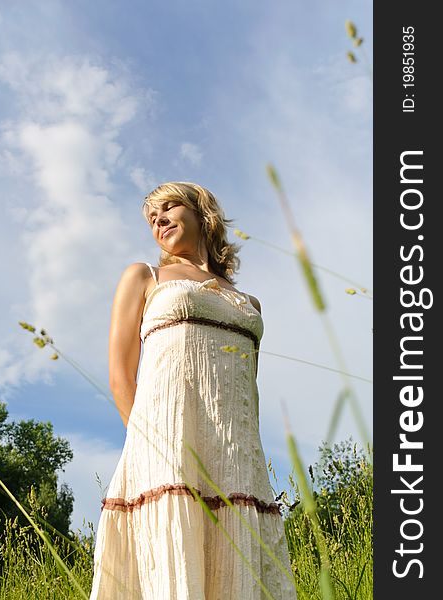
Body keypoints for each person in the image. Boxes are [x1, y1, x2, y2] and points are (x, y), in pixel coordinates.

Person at [89, 182, 296, 599]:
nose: (159, 219)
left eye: (169, 207)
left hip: (236, 461)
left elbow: (242, 389)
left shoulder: (249, 303)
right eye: (152, 217)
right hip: (166, 450)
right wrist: (149, 450)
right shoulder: (146, 277)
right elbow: (119, 375)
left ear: (201, 212)